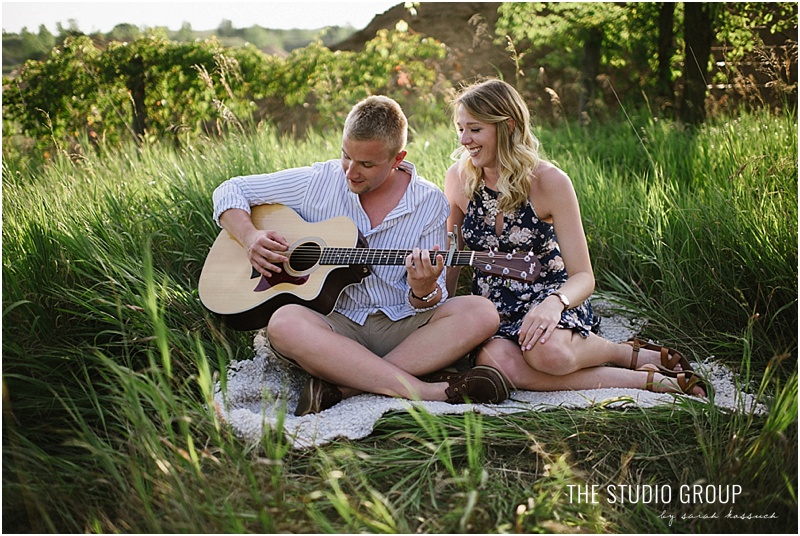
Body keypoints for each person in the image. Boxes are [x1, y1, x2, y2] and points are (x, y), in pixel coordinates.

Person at [212, 95, 509, 416]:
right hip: (333, 326)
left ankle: (346, 385)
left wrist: (423, 290)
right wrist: (250, 236)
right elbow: (231, 189)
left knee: (482, 312)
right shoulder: (319, 180)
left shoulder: (428, 202)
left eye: (366, 164)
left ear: (397, 159)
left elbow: (431, 302)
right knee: (283, 323)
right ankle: (425, 390)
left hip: (402, 329)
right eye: (346, 156)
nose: (351, 172)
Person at [443, 79, 706, 397]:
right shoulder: (459, 178)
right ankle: (646, 380)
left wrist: (555, 304)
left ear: (507, 125)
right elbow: (451, 255)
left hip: (551, 297)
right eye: (460, 129)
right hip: (492, 310)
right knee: (499, 365)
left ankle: (619, 352)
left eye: (474, 129)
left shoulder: (549, 182)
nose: (464, 140)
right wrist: (440, 308)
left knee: (546, 353)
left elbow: (583, 276)